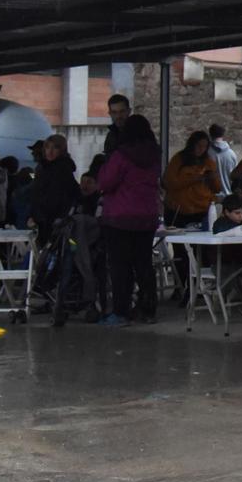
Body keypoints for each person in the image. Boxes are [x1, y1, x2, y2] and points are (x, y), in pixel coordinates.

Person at [95, 114, 162, 326]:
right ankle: (148, 310)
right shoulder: (155, 156)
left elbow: (106, 181)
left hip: (120, 217)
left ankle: (120, 312)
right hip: (147, 216)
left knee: (120, 266)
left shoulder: (121, 155)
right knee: (144, 264)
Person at [163, 131, 217, 229]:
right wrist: (194, 178)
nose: (201, 149)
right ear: (192, 144)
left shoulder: (209, 162)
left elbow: (217, 188)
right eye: (199, 145)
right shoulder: (178, 160)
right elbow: (170, 183)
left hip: (201, 209)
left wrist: (212, 178)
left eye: (205, 146)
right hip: (179, 209)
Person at [207, 122, 239, 197]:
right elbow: (236, 176)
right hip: (229, 196)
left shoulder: (207, 154)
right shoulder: (232, 154)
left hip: (212, 197)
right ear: (223, 134)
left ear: (210, 134)